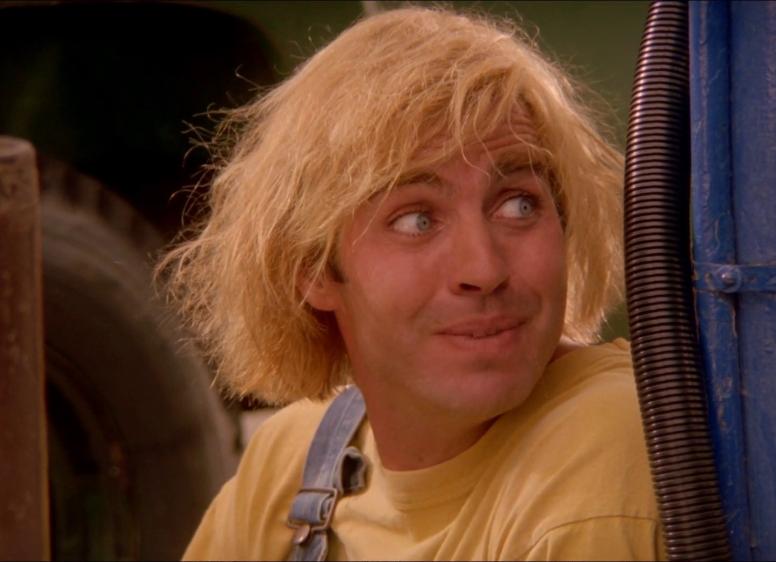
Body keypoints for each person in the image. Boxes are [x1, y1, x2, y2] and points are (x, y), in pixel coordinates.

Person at [159, 5, 665, 560]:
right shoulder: (295, 458)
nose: (483, 269)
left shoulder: (603, 452)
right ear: (312, 267)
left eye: (519, 205)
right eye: (417, 220)